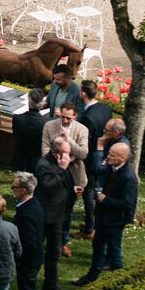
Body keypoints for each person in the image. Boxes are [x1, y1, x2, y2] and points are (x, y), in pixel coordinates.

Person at [76, 140, 139, 283]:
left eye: (112, 155)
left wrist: (105, 199)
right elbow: (99, 170)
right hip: (103, 215)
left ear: (122, 158)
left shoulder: (128, 177)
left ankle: (121, 281)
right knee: (98, 246)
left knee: (114, 251)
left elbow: (128, 204)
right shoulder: (112, 168)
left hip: (116, 219)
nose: (108, 157)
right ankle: (92, 276)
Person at [41, 101, 90, 254]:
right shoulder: (49, 126)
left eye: (69, 118)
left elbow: (83, 153)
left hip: (73, 175)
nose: (65, 120)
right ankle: (46, 238)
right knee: (50, 205)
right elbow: (44, 150)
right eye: (63, 117)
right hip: (54, 172)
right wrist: (62, 159)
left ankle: (63, 241)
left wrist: (69, 141)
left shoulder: (82, 130)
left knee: (67, 209)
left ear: (75, 116)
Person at [33, 141, 73, 290]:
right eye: (66, 153)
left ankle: (51, 285)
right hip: (46, 215)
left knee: (54, 252)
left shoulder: (59, 161)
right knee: (38, 250)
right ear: (56, 153)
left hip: (57, 214)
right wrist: (62, 169)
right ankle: (34, 282)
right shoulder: (43, 164)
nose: (68, 157)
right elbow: (48, 185)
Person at [78, 79, 113, 237]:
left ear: (83, 93)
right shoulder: (106, 108)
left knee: (88, 193)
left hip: (91, 159)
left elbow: (86, 141)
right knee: (98, 189)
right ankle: (93, 221)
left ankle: (89, 228)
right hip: (104, 155)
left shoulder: (88, 117)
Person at [11, 171, 45, 290]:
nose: (12, 189)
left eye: (14, 187)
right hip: (33, 257)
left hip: (28, 260)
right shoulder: (33, 204)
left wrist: (18, 256)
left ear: (23, 190)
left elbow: (29, 241)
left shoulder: (27, 213)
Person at [11, 89, 48, 174]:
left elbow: (15, 135)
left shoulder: (17, 119)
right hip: (36, 161)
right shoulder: (45, 123)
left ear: (28, 102)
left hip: (20, 159)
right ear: (42, 104)